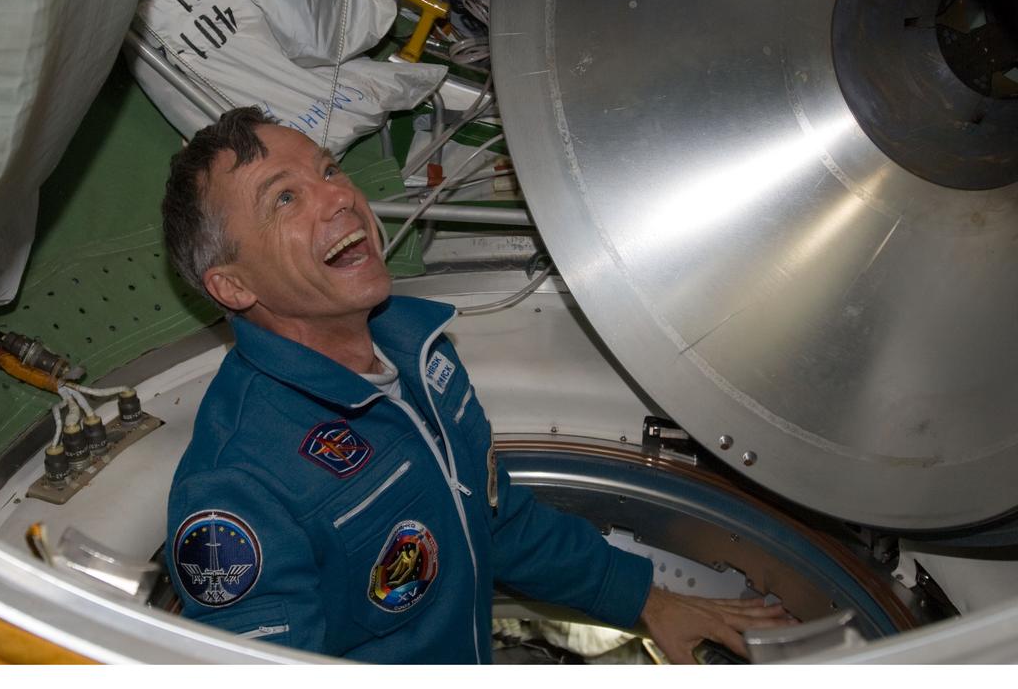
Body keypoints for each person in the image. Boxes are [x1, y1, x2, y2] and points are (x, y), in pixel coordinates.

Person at [160, 107, 791, 663]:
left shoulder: (417, 351)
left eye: (328, 170)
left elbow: (496, 521)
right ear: (233, 286)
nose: (339, 198)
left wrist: (647, 601)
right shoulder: (237, 487)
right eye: (285, 200)